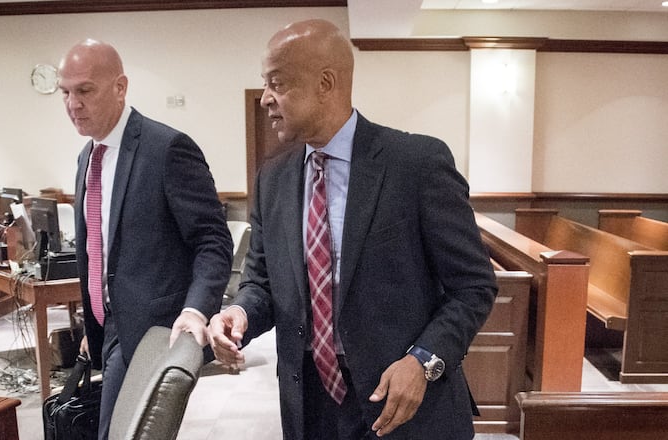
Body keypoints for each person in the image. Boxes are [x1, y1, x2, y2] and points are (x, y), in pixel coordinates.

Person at [208, 19, 498, 440]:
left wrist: (424, 361)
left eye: (277, 83)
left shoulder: (416, 164)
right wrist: (239, 313)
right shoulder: (273, 178)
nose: (266, 98)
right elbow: (263, 283)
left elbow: (473, 286)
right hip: (311, 405)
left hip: (405, 405)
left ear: (325, 83)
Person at [57, 39, 232, 440]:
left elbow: (213, 240)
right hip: (109, 328)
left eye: (85, 90)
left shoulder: (167, 148)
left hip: (153, 331)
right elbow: (101, 249)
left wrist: (196, 310)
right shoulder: (88, 157)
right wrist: (95, 324)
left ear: (120, 87)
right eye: (65, 92)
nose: (72, 104)